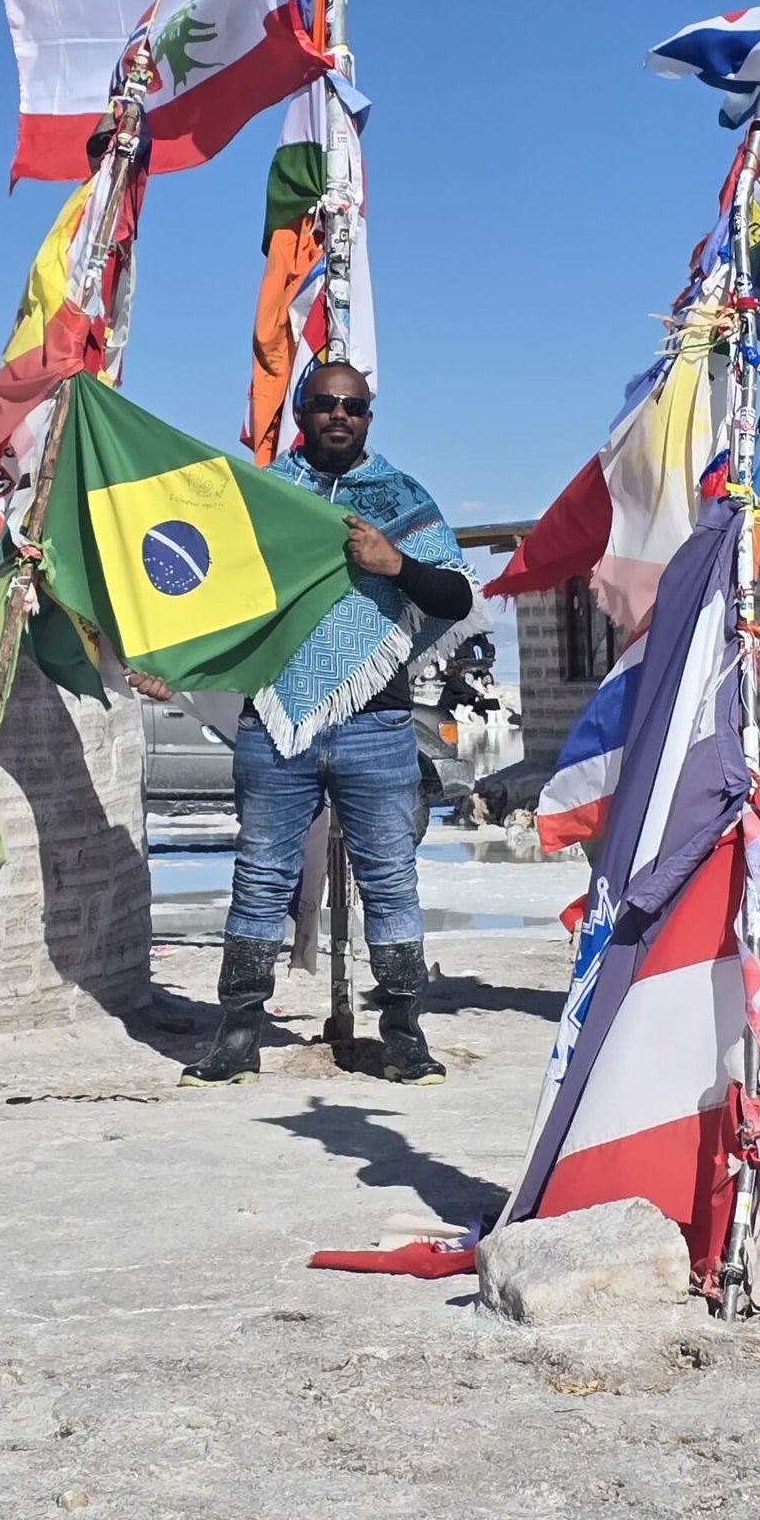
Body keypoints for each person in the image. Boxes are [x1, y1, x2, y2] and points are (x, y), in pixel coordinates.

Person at [134, 363, 479, 1088]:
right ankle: (237, 1034)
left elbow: (454, 591)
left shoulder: (400, 495)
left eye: (353, 405)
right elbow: (208, 590)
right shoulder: (263, 496)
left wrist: (395, 563)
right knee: (260, 878)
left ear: (368, 417)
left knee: (390, 879)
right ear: (301, 409)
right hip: (275, 716)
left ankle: (404, 1030)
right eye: (324, 402)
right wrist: (174, 663)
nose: (339, 414)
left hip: (376, 721)